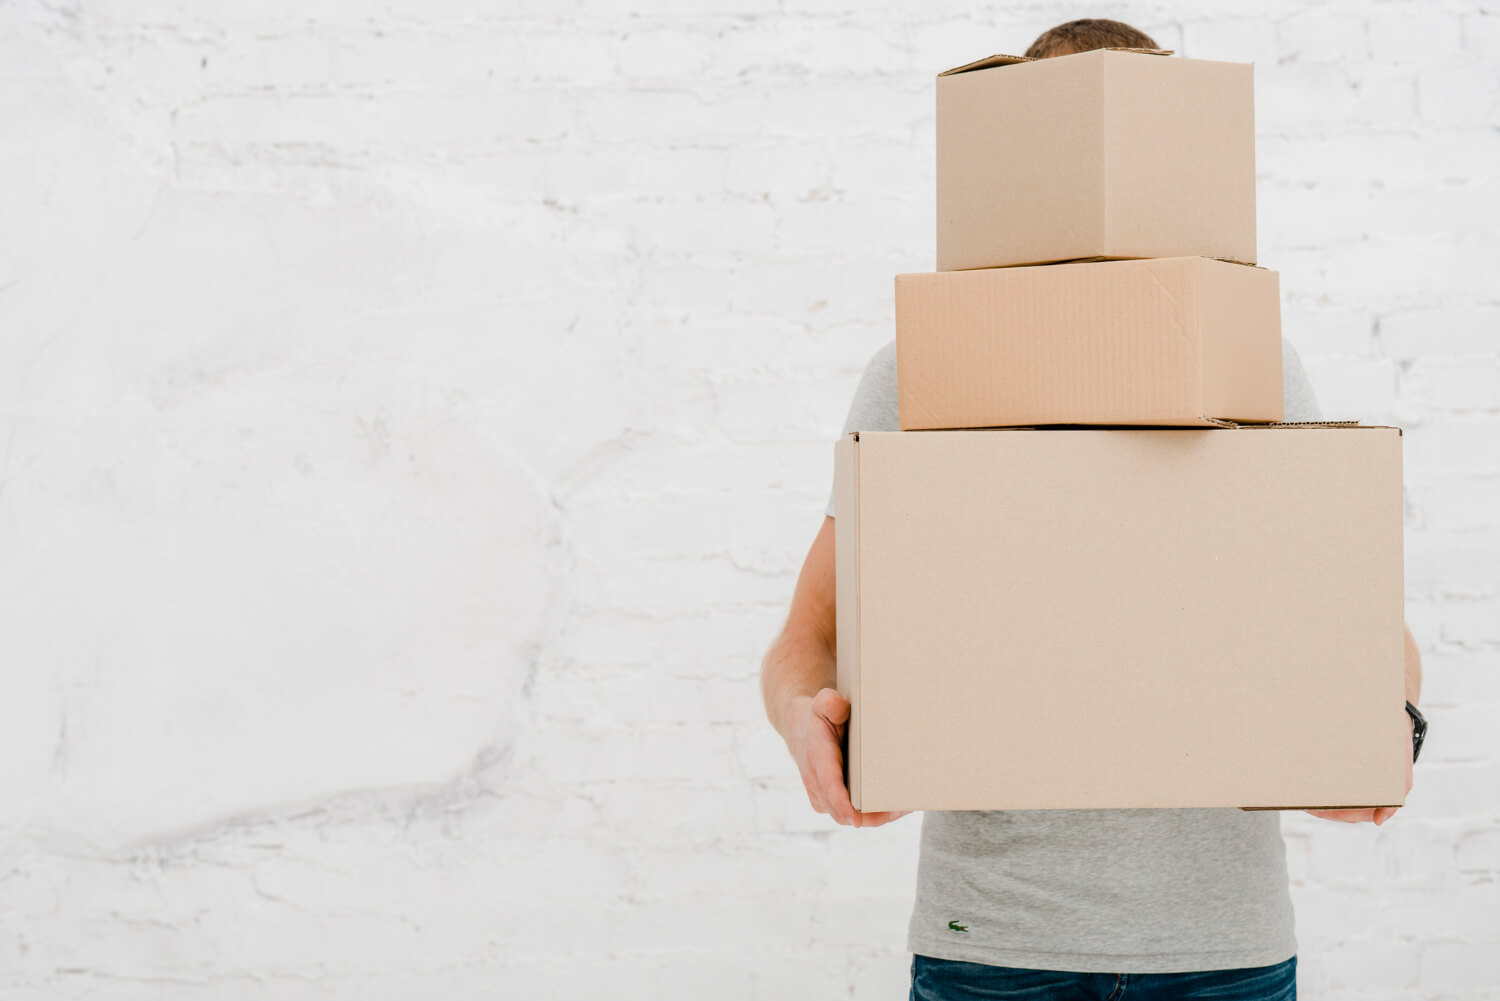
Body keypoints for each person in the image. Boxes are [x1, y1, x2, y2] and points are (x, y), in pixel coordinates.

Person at [758, 18, 1426, 1001]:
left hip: (1220, 945)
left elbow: (1360, 627)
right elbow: (803, 641)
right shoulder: (919, 376)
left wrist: (1386, 731)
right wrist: (804, 723)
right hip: (993, 940)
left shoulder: (1253, 363)